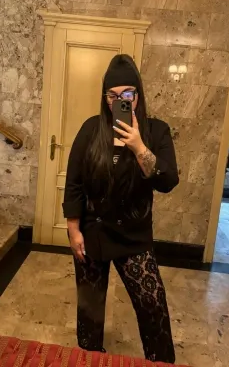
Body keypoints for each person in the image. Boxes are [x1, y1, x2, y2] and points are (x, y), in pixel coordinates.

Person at [63, 54, 179, 363]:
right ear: (105, 98)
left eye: (127, 93)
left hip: (133, 237)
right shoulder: (91, 129)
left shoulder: (156, 131)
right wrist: (73, 229)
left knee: (153, 304)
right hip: (92, 233)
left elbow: (168, 181)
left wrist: (139, 146)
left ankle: (161, 361)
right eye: (113, 95)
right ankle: (90, 357)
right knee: (89, 307)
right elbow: (74, 182)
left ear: (138, 95)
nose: (120, 101)